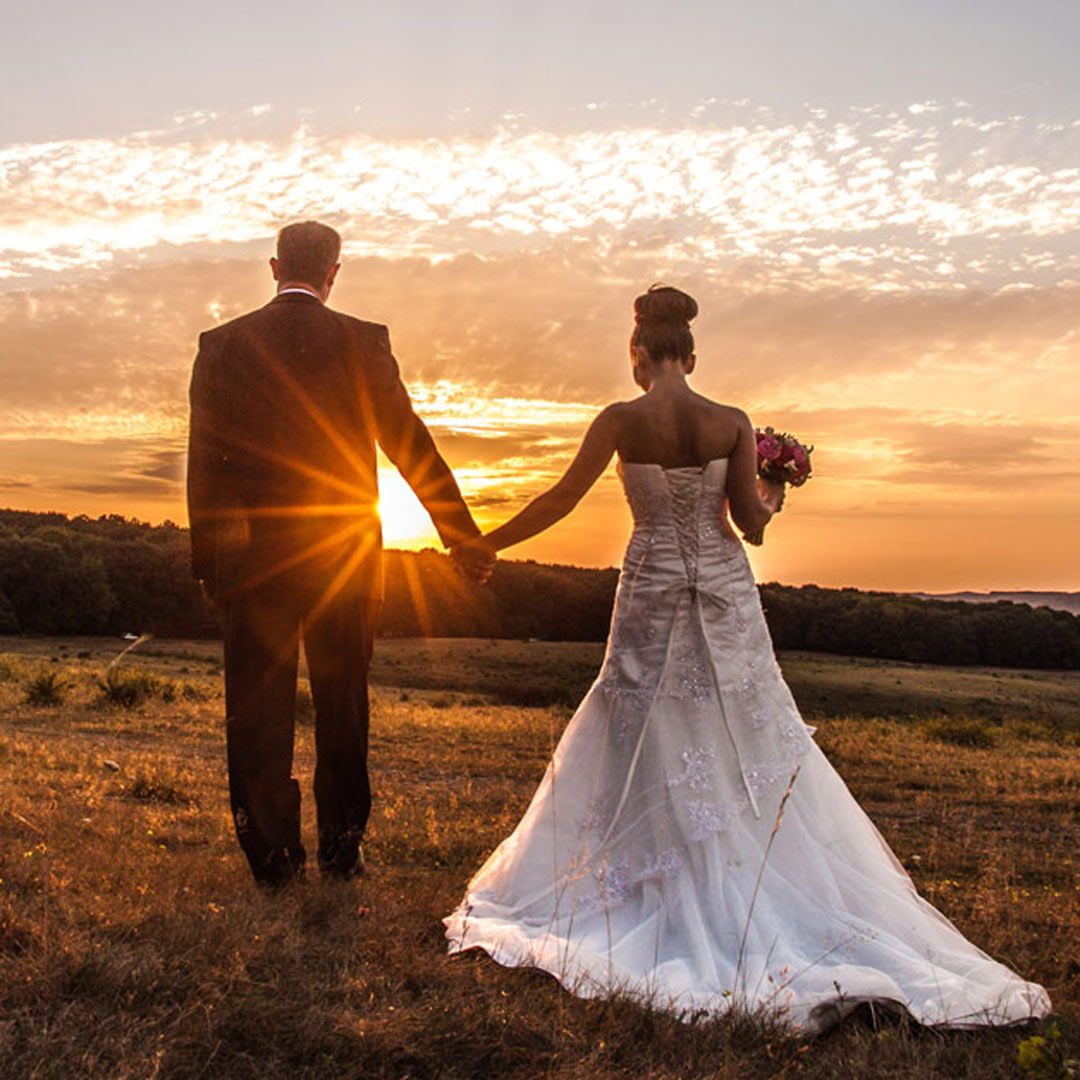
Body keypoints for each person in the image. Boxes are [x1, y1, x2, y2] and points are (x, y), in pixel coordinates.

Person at [444, 285, 1050, 1032]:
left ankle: (645, 875)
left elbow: (561, 500)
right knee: (741, 728)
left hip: (652, 590)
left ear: (639, 354)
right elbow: (752, 529)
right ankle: (745, 870)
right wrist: (773, 491)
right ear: (690, 356)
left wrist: (485, 545)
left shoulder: (620, 420)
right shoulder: (728, 421)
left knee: (640, 722)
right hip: (726, 594)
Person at [187, 221, 493, 887]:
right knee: (344, 707)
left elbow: (202, 465)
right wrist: (461, 537)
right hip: (345, 556)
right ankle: (341, 848)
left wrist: (209, 564)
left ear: (273, 267)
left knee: (257, 712)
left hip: (253, 561)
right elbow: (409, 442)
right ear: (335, 271)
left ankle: (271, 859)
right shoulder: (363, 341)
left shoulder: (222, 345)